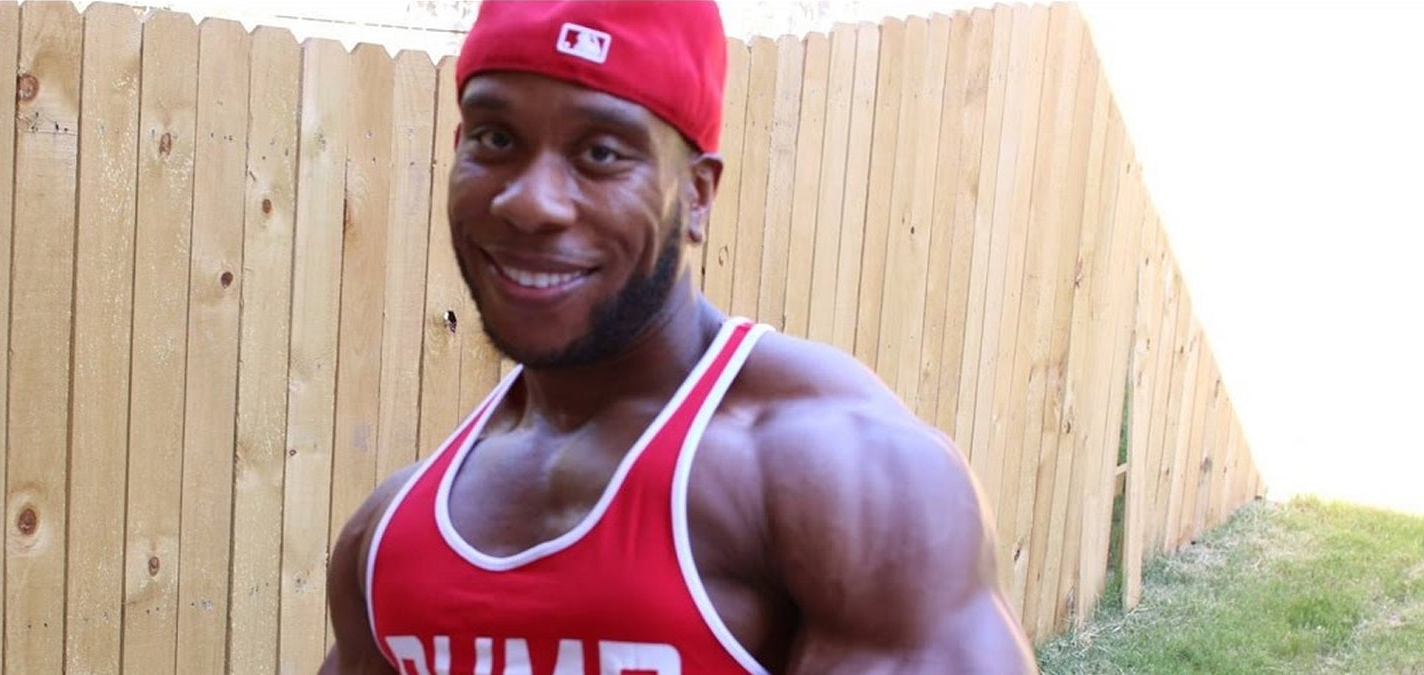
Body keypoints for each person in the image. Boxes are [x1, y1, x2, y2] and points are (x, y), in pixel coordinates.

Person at [320, 2, 1036, 673]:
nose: (530, 201)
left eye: (601, 153)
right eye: (497, 139)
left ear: (696, 195)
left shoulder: (854, 483)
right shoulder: (386, 536)